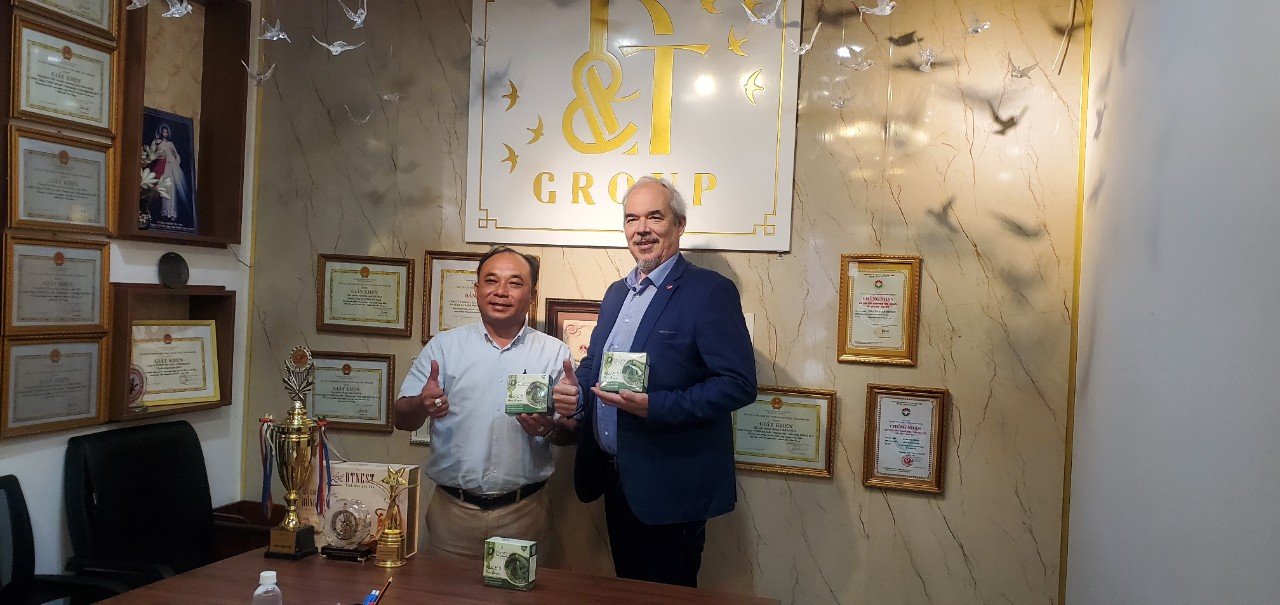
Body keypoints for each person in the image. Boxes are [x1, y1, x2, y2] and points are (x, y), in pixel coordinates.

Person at [552, 176, 756, 587]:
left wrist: (655, 406)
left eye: (654, 217)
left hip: (670, 487)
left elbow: (737, 383)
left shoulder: (709, 292)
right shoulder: (617, 293)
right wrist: (576, 394)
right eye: (632, 219)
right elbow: (596, 364)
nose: (641, 229)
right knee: (628, 589)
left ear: (679, 225)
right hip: (616, 479)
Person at [394, 246, 576, 558]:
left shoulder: (554, 353)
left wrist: (548, 428)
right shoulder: (444, 348)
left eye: (515, 283)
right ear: (476, 290)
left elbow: (570, 433)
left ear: (532, 295)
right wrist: (421, 404)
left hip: (524, 513)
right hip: (453, 515)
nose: (501, 291)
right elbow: (401, 419)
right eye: (491, 281)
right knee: (444, 588)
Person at [148, 123, 189, 223]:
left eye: (166, 132)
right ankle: (165, 211)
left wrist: (175, 162)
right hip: (162, 167)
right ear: (161, 132)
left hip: (170, 167)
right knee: (164, 189)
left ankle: (172, 212)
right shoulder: (158, 142)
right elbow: (152, 155)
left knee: (172, 190)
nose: (165, 133)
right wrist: (160, 152)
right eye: (163, 131)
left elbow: (177, 155)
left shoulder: (170, 144)